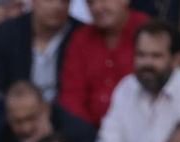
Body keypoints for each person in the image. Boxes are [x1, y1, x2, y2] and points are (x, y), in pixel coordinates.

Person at [59, 0, 150, 128]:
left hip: (141, 128)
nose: (98, 7)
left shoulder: (147, 31)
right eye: (91, 3)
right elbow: (71, 97)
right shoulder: (81, 39)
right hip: (89, 133)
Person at [0, 0, 80, 102]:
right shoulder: (2, 36)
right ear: (33, 2)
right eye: (49, 0)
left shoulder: (83, 35)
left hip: (68, 114)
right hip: (13, 111)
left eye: (64, 1)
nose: (57, 6)